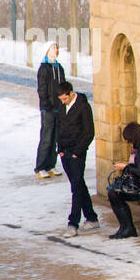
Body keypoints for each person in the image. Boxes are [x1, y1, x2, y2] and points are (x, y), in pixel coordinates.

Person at [57, 81, 100, 237]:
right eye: (61, 100)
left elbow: (89, 132)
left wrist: (77, 152)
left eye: (64, 99)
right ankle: (92, 218)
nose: (63, 102)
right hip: (65, 152)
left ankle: (73, 223)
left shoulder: (83, 106)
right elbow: (59, 127)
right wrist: (60, 149)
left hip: (77, 153)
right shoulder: (62, 106)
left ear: (71, 93)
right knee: (79, 185)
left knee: (76, 187)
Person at [107, 122, 140, 239]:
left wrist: (124, 167)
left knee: (115, 194)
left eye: (129, 140)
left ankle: (128, 228)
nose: (129, 143)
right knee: (114, 192)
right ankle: (125, 227)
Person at [34, 43, 66, 179]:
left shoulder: (59, 68)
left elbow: (63, 86)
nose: (56, 50)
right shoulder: (44, 69)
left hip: (59, 108)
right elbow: (42, 89)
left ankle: (51, 165)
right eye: (53, 48)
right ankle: (40, 167)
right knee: (46, 138)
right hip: (48, 109)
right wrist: (46, 104)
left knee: (55, 137)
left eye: (57, 48)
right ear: (47, 50)